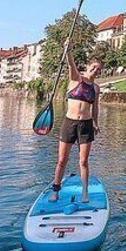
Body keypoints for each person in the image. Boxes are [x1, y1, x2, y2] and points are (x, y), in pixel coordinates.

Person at [49, 39, 102, 203]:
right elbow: (71, 65)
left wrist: (95, 123)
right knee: (61, 160)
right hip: (69, 123)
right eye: (93, 67)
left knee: (84, 161)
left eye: (98, 69)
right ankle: (55, 190)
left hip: (85, 125)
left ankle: (85, 192)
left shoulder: (96, 88)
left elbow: (95, 107)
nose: (95, 70)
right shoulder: (76, 79)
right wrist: (68, 49)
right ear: (87, 67)